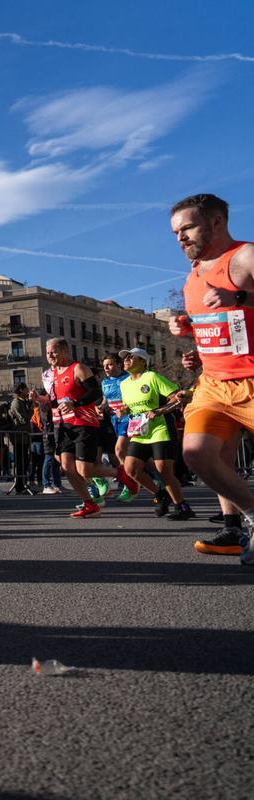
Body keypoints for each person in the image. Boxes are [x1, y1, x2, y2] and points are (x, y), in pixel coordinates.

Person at [166, 193, 254, 561]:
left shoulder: (245, 257)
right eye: (175, 232)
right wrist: (191, 338)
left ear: (217, 222)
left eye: (187, 228)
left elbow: (237, 308)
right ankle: (248, 520)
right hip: (214, 384)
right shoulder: (193, 277)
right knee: (197, 454)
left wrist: (240, 299)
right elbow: (221, 327)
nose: (180, 238)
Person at [44, 337, 118, 518]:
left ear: (64, 351)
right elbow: (56, 401)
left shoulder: (78, 368)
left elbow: (95, 392)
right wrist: (40, 400)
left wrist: (75, 404)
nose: (50, 356)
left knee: (84, 469)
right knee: (67, 467)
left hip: (83, 423)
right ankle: (90, 504)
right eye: (47, 353)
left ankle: (122, 473)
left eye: (53, 351)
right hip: (63, 425)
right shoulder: (52, 374)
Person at [115, 348, 192, 520]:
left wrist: (159, 411)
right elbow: (131, 406)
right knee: (131, 469)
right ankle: (160, 494)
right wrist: (123, 410)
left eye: (130, 356)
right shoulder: (124, 384)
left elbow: (176, 398)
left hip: (160, 429)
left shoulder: (152, 377)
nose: (126, 359)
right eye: (124, 357)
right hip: (140, 431)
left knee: (164, 471)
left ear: (143, 361)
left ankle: (182, 506)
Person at [100, 354, 142, 503]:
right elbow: (106, 401)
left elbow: (136, 397)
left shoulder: (128, 378)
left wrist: (125, 408)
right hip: (114, 420)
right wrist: (100, 408)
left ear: (119, 365)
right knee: (134, 455)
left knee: (119, 450)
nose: (106, 368)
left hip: (129, 418)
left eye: (110, 364)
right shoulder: (104, 382)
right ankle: (160, 476)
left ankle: (129, 484)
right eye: (104, 365)